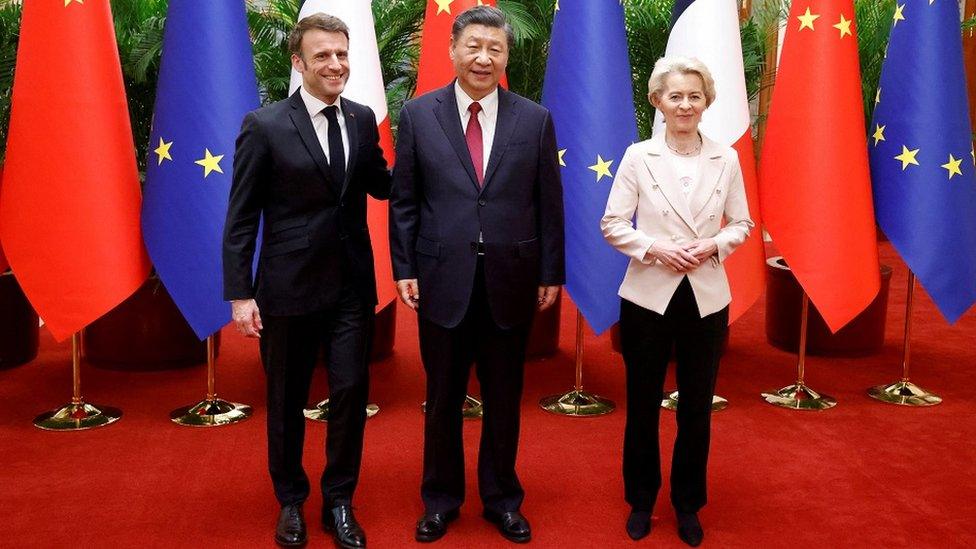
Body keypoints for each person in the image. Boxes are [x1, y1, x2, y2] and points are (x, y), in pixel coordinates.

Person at [389, 5, 564, 544]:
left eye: (496, 48)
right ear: (453, 50)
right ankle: (440, 500)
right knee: (441, 398)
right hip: (442, 279)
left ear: (506, 55)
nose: (484, 57)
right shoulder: (418, 115)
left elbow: (548, 204)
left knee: (505, 397)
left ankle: (502, 499)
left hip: (512, 281)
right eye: (475, 46)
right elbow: (405, 203)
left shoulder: (533, 119)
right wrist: (405, 268)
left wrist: (550, 272)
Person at [222, 13, 391, 549]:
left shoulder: (363, 119)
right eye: (323, 55)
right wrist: (240, 292)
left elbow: (383, 186)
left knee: (348, 394)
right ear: (299, 63)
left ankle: (339, 500)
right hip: (287, 289)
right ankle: (291, 501)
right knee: (286, 398)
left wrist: (435, 153)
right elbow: (242, 215)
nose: (336, 64)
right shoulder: (265, 125)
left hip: (350, 288)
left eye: (342, 54)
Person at [600, 56, 753, 547]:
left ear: (707, 102)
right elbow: (613, 224)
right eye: (675, 96)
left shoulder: (726, 157)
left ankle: (688, 504)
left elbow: (742, 224)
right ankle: (641, 500)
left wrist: (713, 245)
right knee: (642, 403)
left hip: (706, 296)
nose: (685, 104)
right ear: (657, 102)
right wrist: (656, 248)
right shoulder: (637, 156)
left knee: (696, 406)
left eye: (694, 96)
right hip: (648, 293)